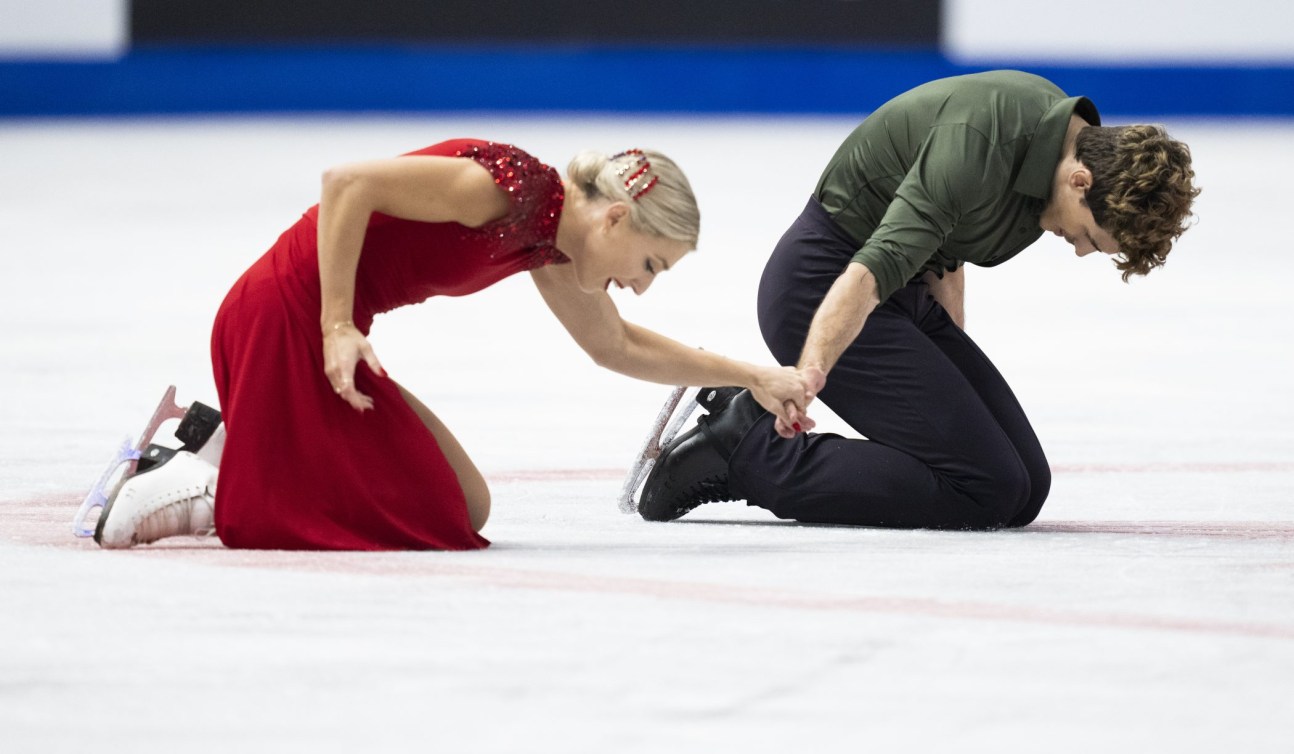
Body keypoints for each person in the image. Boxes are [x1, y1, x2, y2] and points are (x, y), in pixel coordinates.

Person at [94, 139, 818, 550]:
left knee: (461, 503)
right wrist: (338, 325)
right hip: (286, 318)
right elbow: (347, 184)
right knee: (438, 512)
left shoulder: (552, 244)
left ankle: (224, 442)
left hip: (313, 330)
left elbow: (616, 347)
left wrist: (753, 374)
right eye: (651, 264)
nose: (642, 285)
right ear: (617, 220)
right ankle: (207, 488)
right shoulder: (505, 192)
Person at [638, 70, 1200, 528]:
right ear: (1080, 181)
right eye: (1089, 237)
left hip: (899, 293)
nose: (1080, 252)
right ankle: (747, 451)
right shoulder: (981, 142)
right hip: (820, 287)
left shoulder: (1054, 141)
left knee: (1025, 486)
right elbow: (868, 273)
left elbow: (950, 241)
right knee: (987, 487)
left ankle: (751, 443)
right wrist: (804, 381)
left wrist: (946, 371)